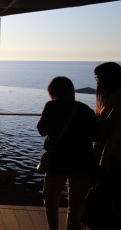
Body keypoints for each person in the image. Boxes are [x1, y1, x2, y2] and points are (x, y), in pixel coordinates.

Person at [37, 76, 98, 230]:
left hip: (58, 160)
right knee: (76, 204)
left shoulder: (51, 106)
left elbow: (42, 130)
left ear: (53, 92)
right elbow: (96, 135)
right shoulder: (84, 109)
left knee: (50, 198)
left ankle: (53, 228)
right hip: (83, 162)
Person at [94, 62, 121, 229]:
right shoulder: (112, 97)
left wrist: (104, 157)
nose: (96, 80)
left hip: (113, 155)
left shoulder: (118, 97)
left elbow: (117, 128)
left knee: (112, 196)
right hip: (109, 152)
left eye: (98, 77)